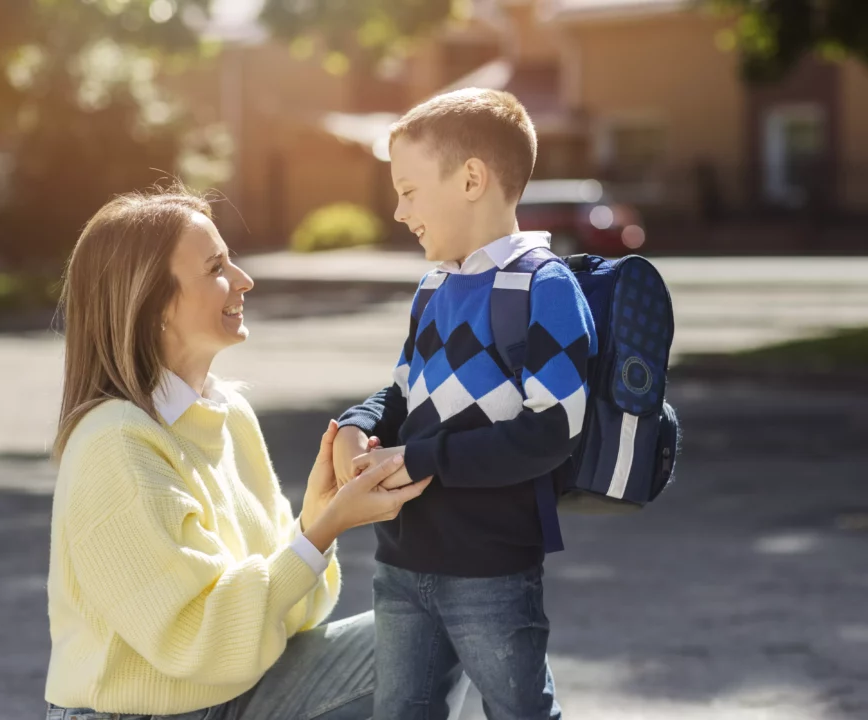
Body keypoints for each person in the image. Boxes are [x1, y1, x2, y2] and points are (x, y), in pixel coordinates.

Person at [44, 189, 431, 720]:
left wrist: (315, 522)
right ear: (154, 303)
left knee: (451, 631)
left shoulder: (227, 413)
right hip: (144, 713)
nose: (244, 280)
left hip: (234, 692)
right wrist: (319, 535)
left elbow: (291, 619)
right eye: (216, 268)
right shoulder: (116, 443)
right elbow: (196, 640)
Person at [333, 89, 598, 720]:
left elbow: (552, 431)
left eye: (410, 190)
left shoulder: (544, 286)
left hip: (491, 569)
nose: (398, 211)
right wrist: (357, 422)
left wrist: (420, 458)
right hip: (401, 562)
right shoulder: (433, 288)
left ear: (472, 178)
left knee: (518, 711)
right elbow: (402, 392)